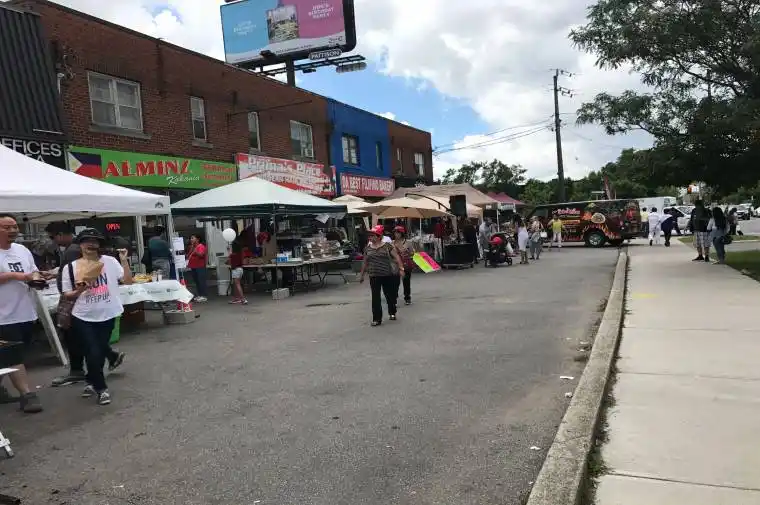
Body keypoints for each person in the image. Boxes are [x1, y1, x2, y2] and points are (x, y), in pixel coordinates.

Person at [59, 228, 132, 405]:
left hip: (108, 313)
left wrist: (124, 260)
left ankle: (91, 381)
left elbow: (128, 281)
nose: (91, 244)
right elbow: (67, 294)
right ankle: (101, 388)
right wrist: (80, 290)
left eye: (95, 241)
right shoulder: (71, 267)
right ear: (80, 245)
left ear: (99, 245)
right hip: (83, 316)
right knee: (92, 351)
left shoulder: (110, 262)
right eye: (87, 241)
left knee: (97, 352)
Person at [0, 213, 49, 413]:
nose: (13, 230)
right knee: (13, 356)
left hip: (26, 311)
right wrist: (17, 275)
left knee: (9, 355)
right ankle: (27, 394)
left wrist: (38, 278)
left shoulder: (22, 250)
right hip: (3, 316)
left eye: (15, 226)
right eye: (7, 227)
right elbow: (20, 275)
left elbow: (32, 271)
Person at [359, 225, 404, 326]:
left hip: (387, 275)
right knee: (375, 297)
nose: (370, 237)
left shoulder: (388, 246)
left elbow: (397, 257)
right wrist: (362, 275)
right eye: (370, 236)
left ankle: (392, 312)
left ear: (379, 236)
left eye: (373, 235)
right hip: (374, 275)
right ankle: (377, 318)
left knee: (390, 295)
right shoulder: (367, 248)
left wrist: (401, 269)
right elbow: (365, 262)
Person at [392, 226, 415, 305]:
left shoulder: (408, 242)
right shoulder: (392, 243)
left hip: (406, 264)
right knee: (395, 283)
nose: (396, 234)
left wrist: (407, 252)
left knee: (406, 282)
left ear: (402, 233)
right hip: (396, 265)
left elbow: (412, 253)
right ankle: (394, 298)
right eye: (395, 232)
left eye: (398, 232)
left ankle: (407, 297)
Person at [187, 234, 208, 303]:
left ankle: (204, 296)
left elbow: (201, 255)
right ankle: (200, 295)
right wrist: (192, 249)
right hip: (194, 266)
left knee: (201, 281)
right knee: (197, 281)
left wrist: (195, 251)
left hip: (200, 266)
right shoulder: (193, 247)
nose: (191, 239)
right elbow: (188, 255)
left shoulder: (201, 246)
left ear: (198, 239)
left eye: (192, 238)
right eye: (191, 238)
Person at [226, 241, 248, 305]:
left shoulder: (232, 255)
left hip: (235, 270)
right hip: (241, 269)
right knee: (236, 284)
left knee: (237, 284)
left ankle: (243, 299)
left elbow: (228, 262)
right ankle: (236, 298)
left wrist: (228, 251)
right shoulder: (240, 253)